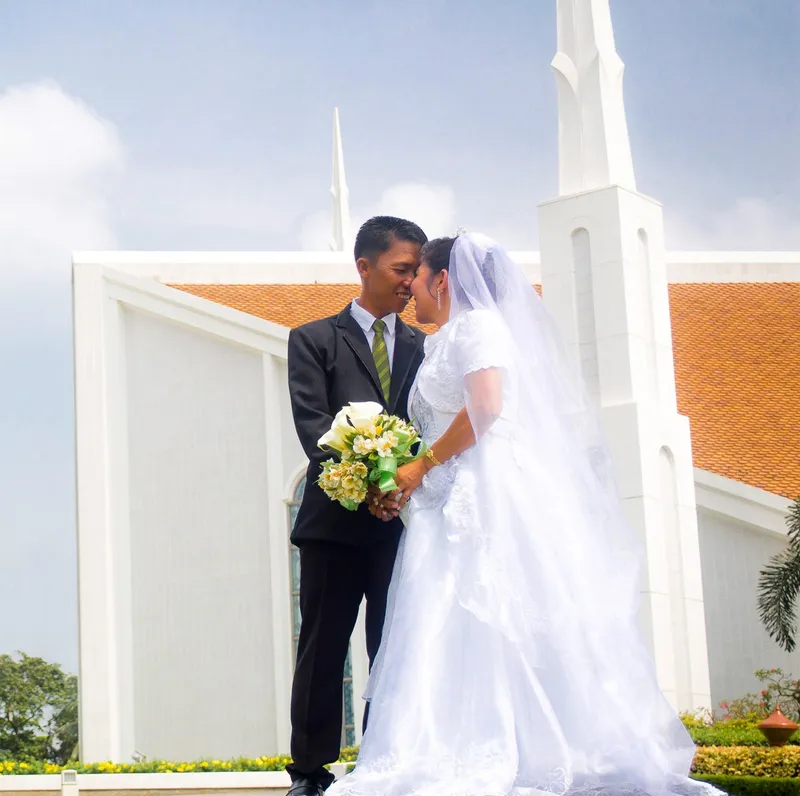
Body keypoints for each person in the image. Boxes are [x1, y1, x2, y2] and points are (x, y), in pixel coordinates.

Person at [328, 233, 721, 796]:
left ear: (444, 279)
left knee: (487, 604)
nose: (410, 286)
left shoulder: (480, 327)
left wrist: (421, 466)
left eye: (419, 275)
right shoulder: (444, 339)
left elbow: (487, 407)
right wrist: (403, 472)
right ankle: (449, 742)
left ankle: (510, 748)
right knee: (443, 616)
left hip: (485, 489)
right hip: (444, 492)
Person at [285, 216, 428, 796]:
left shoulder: (425, 348)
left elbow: (427, 428)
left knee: (392, 647)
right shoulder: (314, 339)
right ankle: (310, 772)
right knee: (323, 648)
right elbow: (314, 427)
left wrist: (399, 489)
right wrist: (366, 484)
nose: (410, 282)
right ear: (364, 266)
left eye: (417, 271)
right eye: (401, 269)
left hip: (404, 527)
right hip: (332, 525)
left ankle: (380, 763)